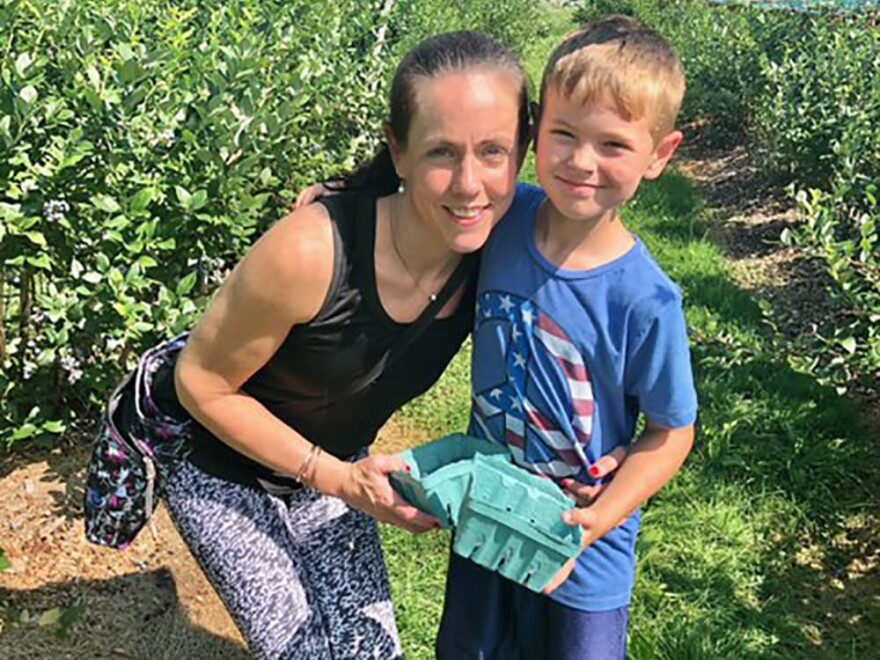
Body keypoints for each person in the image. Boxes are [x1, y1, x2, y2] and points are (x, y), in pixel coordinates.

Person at [156, 31, 534, 660]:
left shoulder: (497, 240)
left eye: (493, 151)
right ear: (399, 150)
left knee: (369, 651)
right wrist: (334, 478)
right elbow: (200, 382)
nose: (470, 184)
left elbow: (590, 232)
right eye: (442, 151)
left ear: (521, 151)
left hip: (332, 460)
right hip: (217, 461)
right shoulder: (310, 252)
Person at [433, 16, 698, 659]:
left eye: (613, 144)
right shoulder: (505, 217)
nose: (582, 161)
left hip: (583, 548)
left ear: (659, 155)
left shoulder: (645, 300)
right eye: (564, 135)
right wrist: (344, 195)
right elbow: (421, 181)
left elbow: (671, 431)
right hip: (489, 515)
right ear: (533, 131)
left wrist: (598, 520)